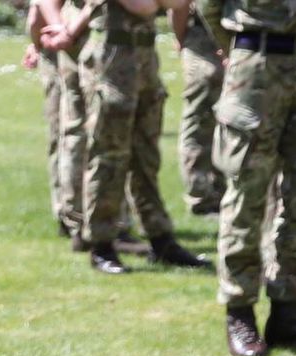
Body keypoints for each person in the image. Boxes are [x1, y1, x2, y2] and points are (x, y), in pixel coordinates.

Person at [202, 0, 296, 356]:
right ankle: (240, 312)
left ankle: (289, 311)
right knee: (247, 194)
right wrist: (236, 48)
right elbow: (208, 6)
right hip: (257, 66)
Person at [52, 0, 210, 273]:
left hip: (144, 54)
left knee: (146, 155)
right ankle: (101, 243)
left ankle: (160, 238)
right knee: (109, 155)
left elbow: (178, 2)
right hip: (111, 57)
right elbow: (142, 6)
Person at [27, 0, 85, 243]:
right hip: (65, 46)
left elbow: (34, 19)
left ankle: (67, 211)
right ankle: (73, 214)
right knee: (72, 134)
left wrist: (35, 43)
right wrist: (61, 32)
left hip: (58, 44)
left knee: (64, 136)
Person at [175, 6, 226, 214]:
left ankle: (218, 191)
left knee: (224, 122)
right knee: (199, 121)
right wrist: (181, 40)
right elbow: (179, 6)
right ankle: (200, 196)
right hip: (203, 40)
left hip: (233, 39)